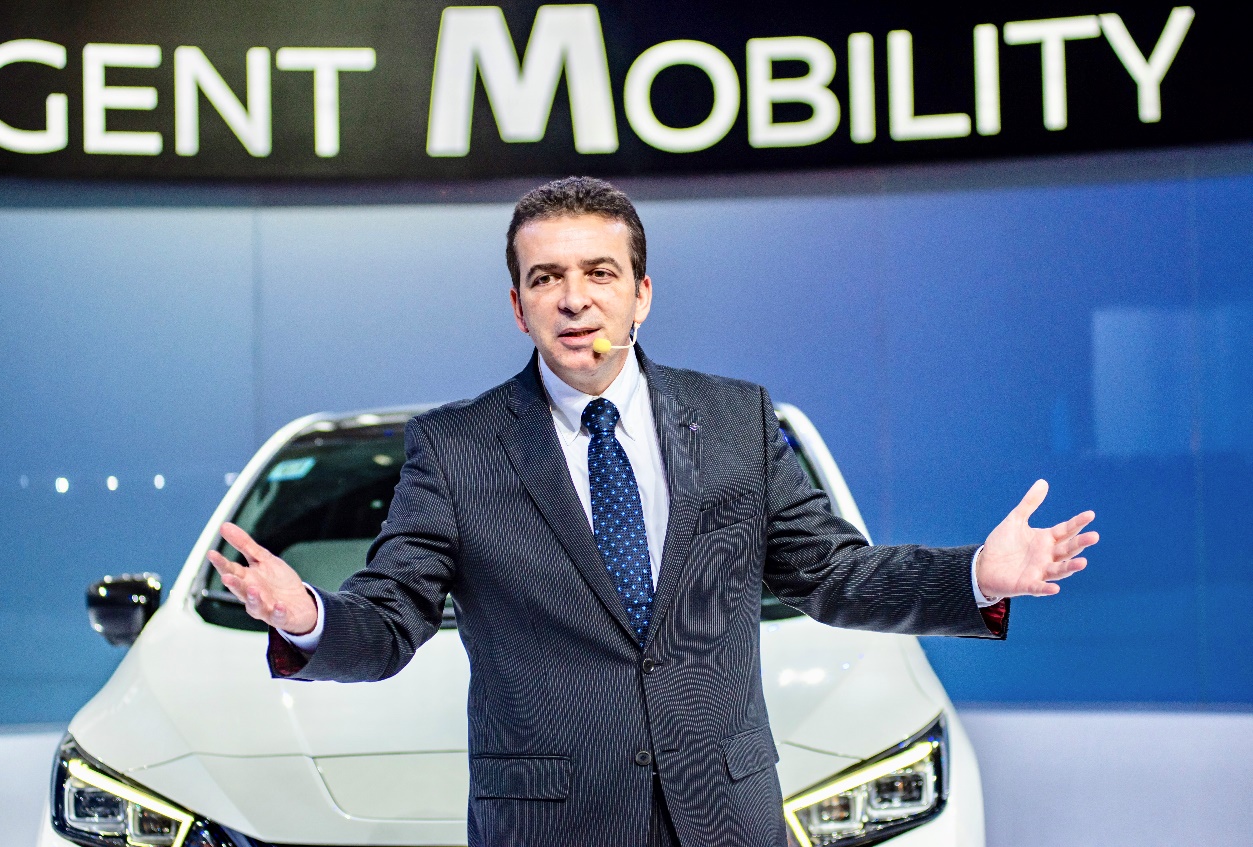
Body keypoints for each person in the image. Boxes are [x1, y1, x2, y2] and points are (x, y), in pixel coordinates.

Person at [208, 176, 1097, 847]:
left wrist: (974, 574)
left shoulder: (735, 419)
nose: (574, 298)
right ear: (517, 307)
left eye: (599, 272)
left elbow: (830, 574)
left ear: (641, 291)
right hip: (551, 824)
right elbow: (393, 615)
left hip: (726, 815)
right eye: (546, 277)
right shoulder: (455, 447)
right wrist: (309, 615)